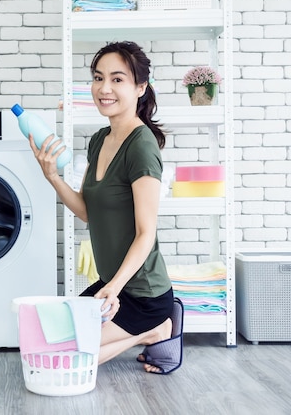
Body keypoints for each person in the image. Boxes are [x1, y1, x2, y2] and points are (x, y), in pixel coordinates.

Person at [29, 41, 183, 374]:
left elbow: (146, 233)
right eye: (98, 78)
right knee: (46, 341)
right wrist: (53, 177)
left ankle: (154, 327)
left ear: (140, 87)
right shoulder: (99, 139)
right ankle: (152, 333)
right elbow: (87, 211)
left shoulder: (141, 147)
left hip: (142, 294)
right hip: (112, 287)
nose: (104, 88)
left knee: (62, 361)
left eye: (117, 79)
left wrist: (112, 287)